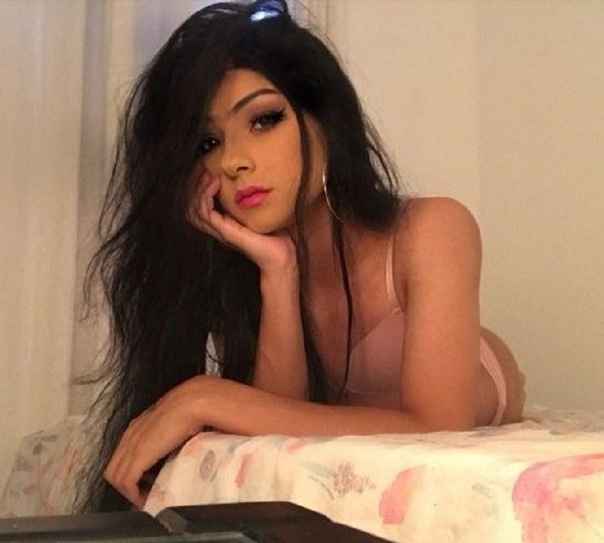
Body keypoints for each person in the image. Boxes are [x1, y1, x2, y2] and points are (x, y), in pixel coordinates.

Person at [78, 0, 525, 513]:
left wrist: (204, 396)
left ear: (326, 122)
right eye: (208, 142)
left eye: (264, 120)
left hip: (471, 397)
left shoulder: (430, 228)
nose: (233, 161)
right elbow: (279, 431)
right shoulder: (245, 267)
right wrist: (278, 271)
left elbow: (438, 426)